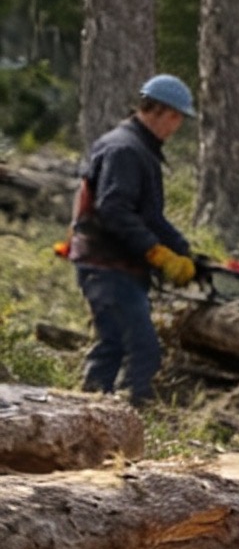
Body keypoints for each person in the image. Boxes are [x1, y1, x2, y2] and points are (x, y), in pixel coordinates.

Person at [68, 74, 200, 405]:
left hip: (118, 265)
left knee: (114, 344)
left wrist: (185, 252)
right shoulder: (125, 149)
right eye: (176, 119)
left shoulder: (139, 149)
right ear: (162, 112)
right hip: (108, 265)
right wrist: (155, 252)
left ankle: (94, 416)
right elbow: (114, 210)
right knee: (138, 348)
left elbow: (150, 217)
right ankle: (126, 418)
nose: (176, 126)